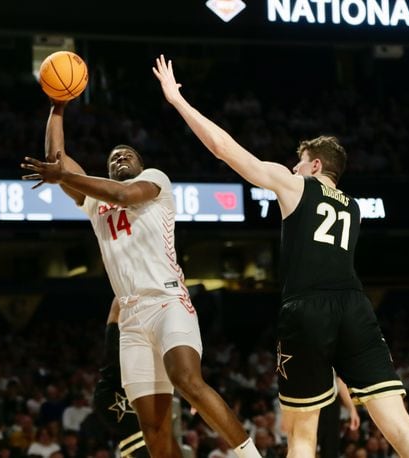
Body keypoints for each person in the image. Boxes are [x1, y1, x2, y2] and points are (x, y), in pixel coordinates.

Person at [152, 55, 409, 457]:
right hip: (356, 305)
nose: (291, 167)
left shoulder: (297, 186)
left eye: (298, 162)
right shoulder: (353, 207)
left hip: (307, 306)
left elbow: (224, 149)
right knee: (400, 426)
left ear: (315, 164)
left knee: (302, 433)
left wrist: (179, 102)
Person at [20, 99, 261, 458]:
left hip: (167, 302)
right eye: (114, 156)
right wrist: (57, 106)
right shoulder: (92, 200)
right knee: (153, 428)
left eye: (127, 154)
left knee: (187, 380)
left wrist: (65, 176)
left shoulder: (155, 181)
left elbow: (121, 194)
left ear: (140, 164)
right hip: (130, 319)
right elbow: (58, 160)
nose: (120, 158)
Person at [91, 298, 148, 458]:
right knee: (143, 443)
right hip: (112, 394)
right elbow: (114, 312)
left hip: (135, 393)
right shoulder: (116, 353)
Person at [316, 378, 360, 458]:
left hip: (331, 402)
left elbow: (340, 381)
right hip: (309, 401)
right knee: (306, 445)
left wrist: (352, 409)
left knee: (330, 449)